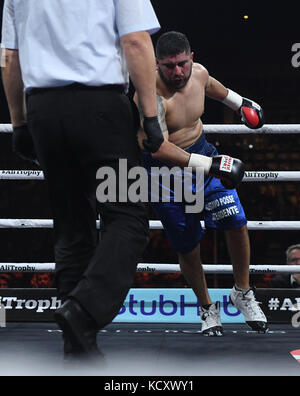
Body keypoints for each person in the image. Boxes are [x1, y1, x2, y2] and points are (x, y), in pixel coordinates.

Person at [1, 0, 169, 361]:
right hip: (101, 111)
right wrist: (150, 116)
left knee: (71, 223)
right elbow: (136, 42)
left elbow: (10, 58)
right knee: (129, 215)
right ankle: (83, 310)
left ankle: (78, 345)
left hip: (44, 111)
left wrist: (18, 122)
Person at [135, 31, 269, 335]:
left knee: (236, 221)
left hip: (203, 156)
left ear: (191, 58)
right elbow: (158, 146)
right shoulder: (149, 96)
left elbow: (212, 87)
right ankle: (207, 307)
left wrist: (240, 102)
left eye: (183, 63)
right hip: (165, 173)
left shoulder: (199, 74)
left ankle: (242, 292)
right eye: (169, 66)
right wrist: (211, 165)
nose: (178, 72)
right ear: (157, 64)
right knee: (188, 245)